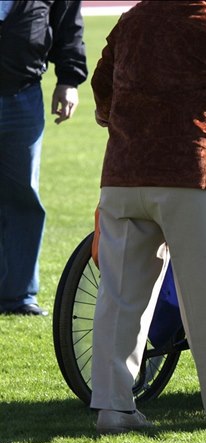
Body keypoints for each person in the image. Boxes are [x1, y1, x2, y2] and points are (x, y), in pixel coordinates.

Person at [89, 1, 206, 434]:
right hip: (192, 174)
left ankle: (113, 407)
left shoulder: (131, 22)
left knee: (118, 297)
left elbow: (103, 92)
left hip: (124, 172)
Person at [0, 0, 87, 316]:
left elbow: (68, 23)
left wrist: (69, 80)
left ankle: (18, 296)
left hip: (22, 94)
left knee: (23, 195)